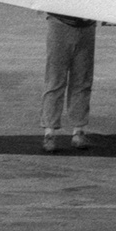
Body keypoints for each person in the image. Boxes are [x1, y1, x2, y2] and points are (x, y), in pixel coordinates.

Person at [41, 13, 97, 153]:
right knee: (55, 79)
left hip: (86, 25)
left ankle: (78, 131)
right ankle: (49, 133)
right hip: (59, 22)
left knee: (82, 79)